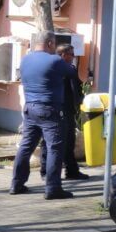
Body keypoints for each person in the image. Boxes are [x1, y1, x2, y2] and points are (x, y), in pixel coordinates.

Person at [10, 30, 74, 199]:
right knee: (54, 148)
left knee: (26, 146)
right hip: (49, 109)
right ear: (50, 43)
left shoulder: (25, 60)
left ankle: (16, 184)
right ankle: (53, 188)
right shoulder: (55, 60)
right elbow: (72, 72)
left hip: (30, 108)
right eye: (54, 44)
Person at [39, 44, 88, 180]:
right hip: (55, 109)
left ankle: (71, 170)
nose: (73, 57)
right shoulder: (54, 68)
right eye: (71, 54)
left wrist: (79, 101)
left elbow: (76, 87)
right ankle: (46, 171)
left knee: (69, 141)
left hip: (68, 110)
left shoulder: (70, 68)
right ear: (63, 55)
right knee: (49, 141)